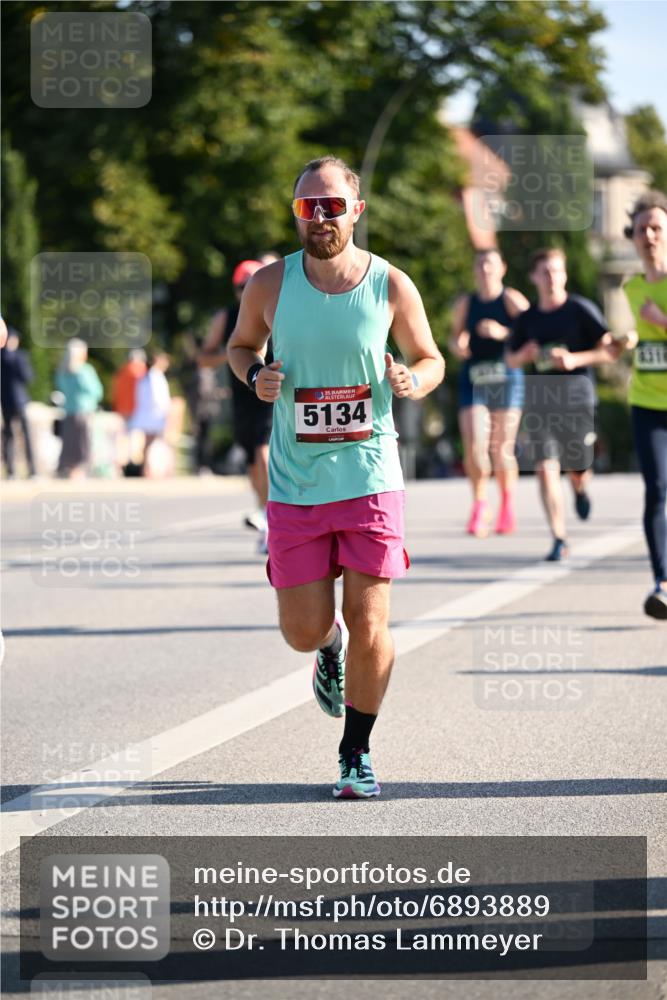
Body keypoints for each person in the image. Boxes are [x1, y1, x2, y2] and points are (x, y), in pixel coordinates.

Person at [228, 156, 444, 799]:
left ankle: (356, 752)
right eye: (306, 207)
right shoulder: (269, 284)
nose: (319, 217)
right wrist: (253, 374)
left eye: (331, 206)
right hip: (296, 482)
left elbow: (430, 358)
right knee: (301, 629)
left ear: (356, 210)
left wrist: (413, 379)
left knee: (371, 618)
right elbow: (242, 346)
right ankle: (327, 648)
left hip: (372, 473)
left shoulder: (390, 285)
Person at [506, 248, 618, 561]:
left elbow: (610, 350)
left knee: (577, 467)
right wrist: (524, 355)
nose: (551, 277)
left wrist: (574, 360)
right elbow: (509, 357)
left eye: (557, 271)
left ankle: (580, 488)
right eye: (545, 272)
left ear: (565, 275)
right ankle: (559, 536)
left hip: (578, 398)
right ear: (534, 277)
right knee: (544, 469)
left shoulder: (581, 309)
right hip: (541, 401)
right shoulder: (527, 319)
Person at [449, 249, 529, 536]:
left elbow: (531, 331)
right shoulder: (466, 303)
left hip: (506, 378)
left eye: (491, 263)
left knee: (501, 447)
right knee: (475, 446)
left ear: (502, 268)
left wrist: (502, 332)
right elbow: (455, 336)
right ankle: (480, 504)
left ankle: (507, 505)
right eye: (480, 263)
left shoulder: (511, 299)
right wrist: (458, 345)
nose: (485, 269)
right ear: (475, 269)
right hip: (474, 380)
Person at [199, 260, 274, 551]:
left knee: (264, 454)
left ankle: (272, 518)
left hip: (273, 394)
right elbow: (204, 358)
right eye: (243, 287)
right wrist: (235, 355)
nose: (247, 291)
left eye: (252, 284)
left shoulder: (276, 308)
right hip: (243, 395)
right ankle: (265, 512)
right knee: (254, 463)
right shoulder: (226, 318)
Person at [621, 191, 667, 620]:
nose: (649, 235)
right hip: (647, 401)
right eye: (641, 230)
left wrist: (661, 322)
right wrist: (629, 339)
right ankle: (663, 582)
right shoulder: (631, 287)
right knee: (656, 491)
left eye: (656, 228)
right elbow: (643, 334)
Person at [55, 338, 103, 479]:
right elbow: (96, 391)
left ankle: (69, 470)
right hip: (84, 411)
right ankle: (81, 472)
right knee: (84, 445)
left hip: (68, 411)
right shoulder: (84, 370)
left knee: (69, 444)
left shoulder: (62, 371)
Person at [1, 327, 36, 478]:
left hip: (20, 401)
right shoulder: (1, 357)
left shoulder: (20, 357)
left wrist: (14, 358)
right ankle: (10, 470)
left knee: (26, 435)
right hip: (6, 400)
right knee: (8, 435)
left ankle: (33, 470)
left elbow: (28, 377)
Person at [129, 352, 172, 475]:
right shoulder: (155, 376)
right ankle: (150, 469)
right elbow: (158, 398)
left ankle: (148, 468)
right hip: (155, 415)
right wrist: (166, 410)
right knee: (154, 442)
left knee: (149, 443)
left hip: (148, 414)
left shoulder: (146, 376)